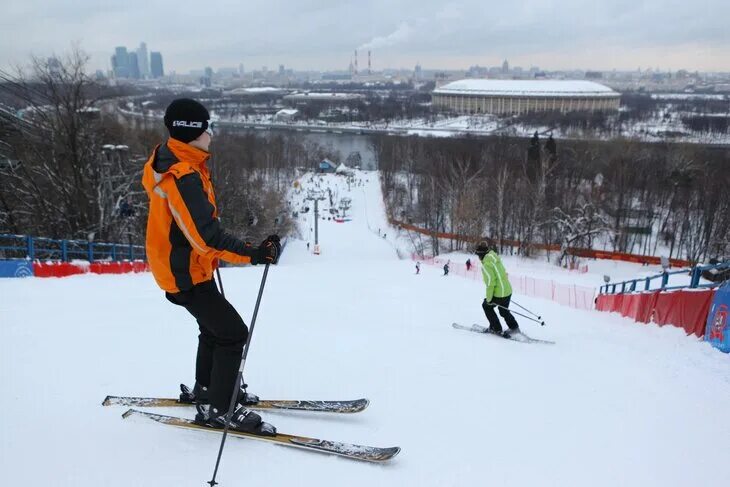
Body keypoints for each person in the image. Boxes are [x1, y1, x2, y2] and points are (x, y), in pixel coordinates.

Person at [142, 98, 280, 435]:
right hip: (184, 271)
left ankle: (208, 392)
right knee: (234, 333)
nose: (212, 136)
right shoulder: (182, 174)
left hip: (186, 266)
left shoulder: (176, 160)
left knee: (214, 329)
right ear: (192, 132)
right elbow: (207, 237)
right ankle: (221, 408)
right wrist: (254, 254)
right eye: (208, 129)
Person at [476, 240, 519, 338]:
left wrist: (489, 299)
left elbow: (491, 283)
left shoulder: (487, 264)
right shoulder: (495, 259)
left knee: (486, 306)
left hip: (499, 293)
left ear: (481, 255)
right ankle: (514, 327)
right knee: (503, 310)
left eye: (478, 255)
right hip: (507, 290)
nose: (478, 258)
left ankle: (496, 328)